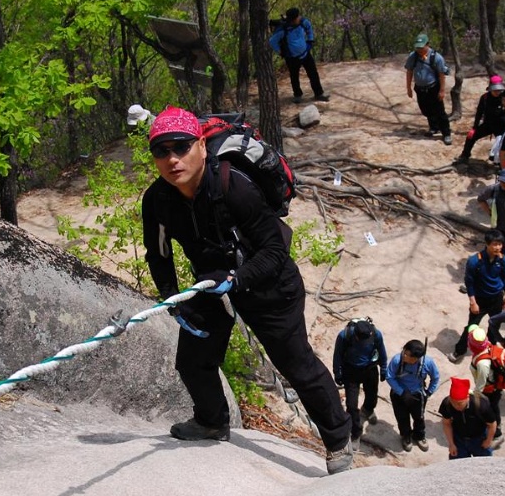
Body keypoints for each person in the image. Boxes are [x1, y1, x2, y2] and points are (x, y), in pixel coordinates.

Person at [141, 106, 353, 475]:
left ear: (202, 147)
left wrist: (238, 280)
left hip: (271, 283)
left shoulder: (232, 184)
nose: (172, 159)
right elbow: (158, 255)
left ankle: (338, 441)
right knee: (193, 359)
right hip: (211, 278)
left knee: (296, 363)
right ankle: (211, 421)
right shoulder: (158, 200)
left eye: (181, 146)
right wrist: (173, 299)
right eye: (162, 151)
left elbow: (274, 249)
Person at [447, 229, 505, 362]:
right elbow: (469, 283)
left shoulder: (502, 260)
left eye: (500, 244)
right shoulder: (475, 261)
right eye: (494, 244)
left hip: (496, 298)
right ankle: (460, 350)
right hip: (480, 300)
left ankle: (490, 348)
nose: (497, 247)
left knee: (494, 325)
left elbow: (504, 278)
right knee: (472, 326)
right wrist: (473, 302)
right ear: (487, 244)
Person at [332, 318, 388, 446]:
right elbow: (337, 354)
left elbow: (382, 351)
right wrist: (337, 372)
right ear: (356, 336)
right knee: (351, 405)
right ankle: (355, 432)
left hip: (370, 368)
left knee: (372, 394)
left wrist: (384, 368)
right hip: (351, 371)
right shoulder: (344, 336)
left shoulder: (375, 334)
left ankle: (368, 410)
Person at [386, 339, 440, 452]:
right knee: (402, 417)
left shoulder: (428, 363)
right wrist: (402, 392)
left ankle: (419, 436)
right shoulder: (397, 360)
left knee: (419, 417)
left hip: (418, 395)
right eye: (405, 353)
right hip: (399, 395)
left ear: (417, 358)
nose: (405, 356)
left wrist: (428, 392)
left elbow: (435, 378)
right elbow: (390, 377)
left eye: (409, 356)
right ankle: (406, 436)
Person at [268, 7, 330, 104]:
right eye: (298, 17)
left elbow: (309, 26)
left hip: (305, 54)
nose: (300, 17)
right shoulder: (283, 30)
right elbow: (272, 41)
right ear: (293, 19)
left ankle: (319, 94)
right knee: (294, 77)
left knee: (313, 74)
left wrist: (310, 40)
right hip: (292, 58)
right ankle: (297, 95)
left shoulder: (302, 22)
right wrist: (280, 52)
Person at [405, 33, 452, 145]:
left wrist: (442, 90)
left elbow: (441, 75)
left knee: (440, 111)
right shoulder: (413, 56)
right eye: (417, 47)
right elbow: (409, 71)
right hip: (420, 88)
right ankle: (434, 127)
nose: (419, 49)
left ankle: (446, 133)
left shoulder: (437, 57)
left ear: (428, 45)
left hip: (433, 88)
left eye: (421, 47)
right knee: (425, 109)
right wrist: (408, 88)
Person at [466, 325, 505, 447]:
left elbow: (481, 385)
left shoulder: (483, 363)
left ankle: (497, 434)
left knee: (491, 409)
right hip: (491, 387)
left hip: (490, 391)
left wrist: (472, 394)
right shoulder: (486, 346)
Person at [440, 377, 497, 459]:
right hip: (459, 440)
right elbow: (446, 424)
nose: (456, 406)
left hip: (479, 439)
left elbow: (492, 424)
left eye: (459, 403)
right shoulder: (447, 404)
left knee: (485, 465)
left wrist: (488, 440)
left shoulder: (481, 405)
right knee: (457, 467)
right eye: (453, 402)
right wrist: (451, 444)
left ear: (467, 397)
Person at [455, 75, 505, 165]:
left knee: (501, 146)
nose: (497, 92)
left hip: (501, 127)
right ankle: (465, 155)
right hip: (488, 124)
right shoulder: (485, 98)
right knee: (471, 137)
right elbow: (479, 113)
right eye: (495, 90)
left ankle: (501, 165)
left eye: (499, 90)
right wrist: (474, 127)